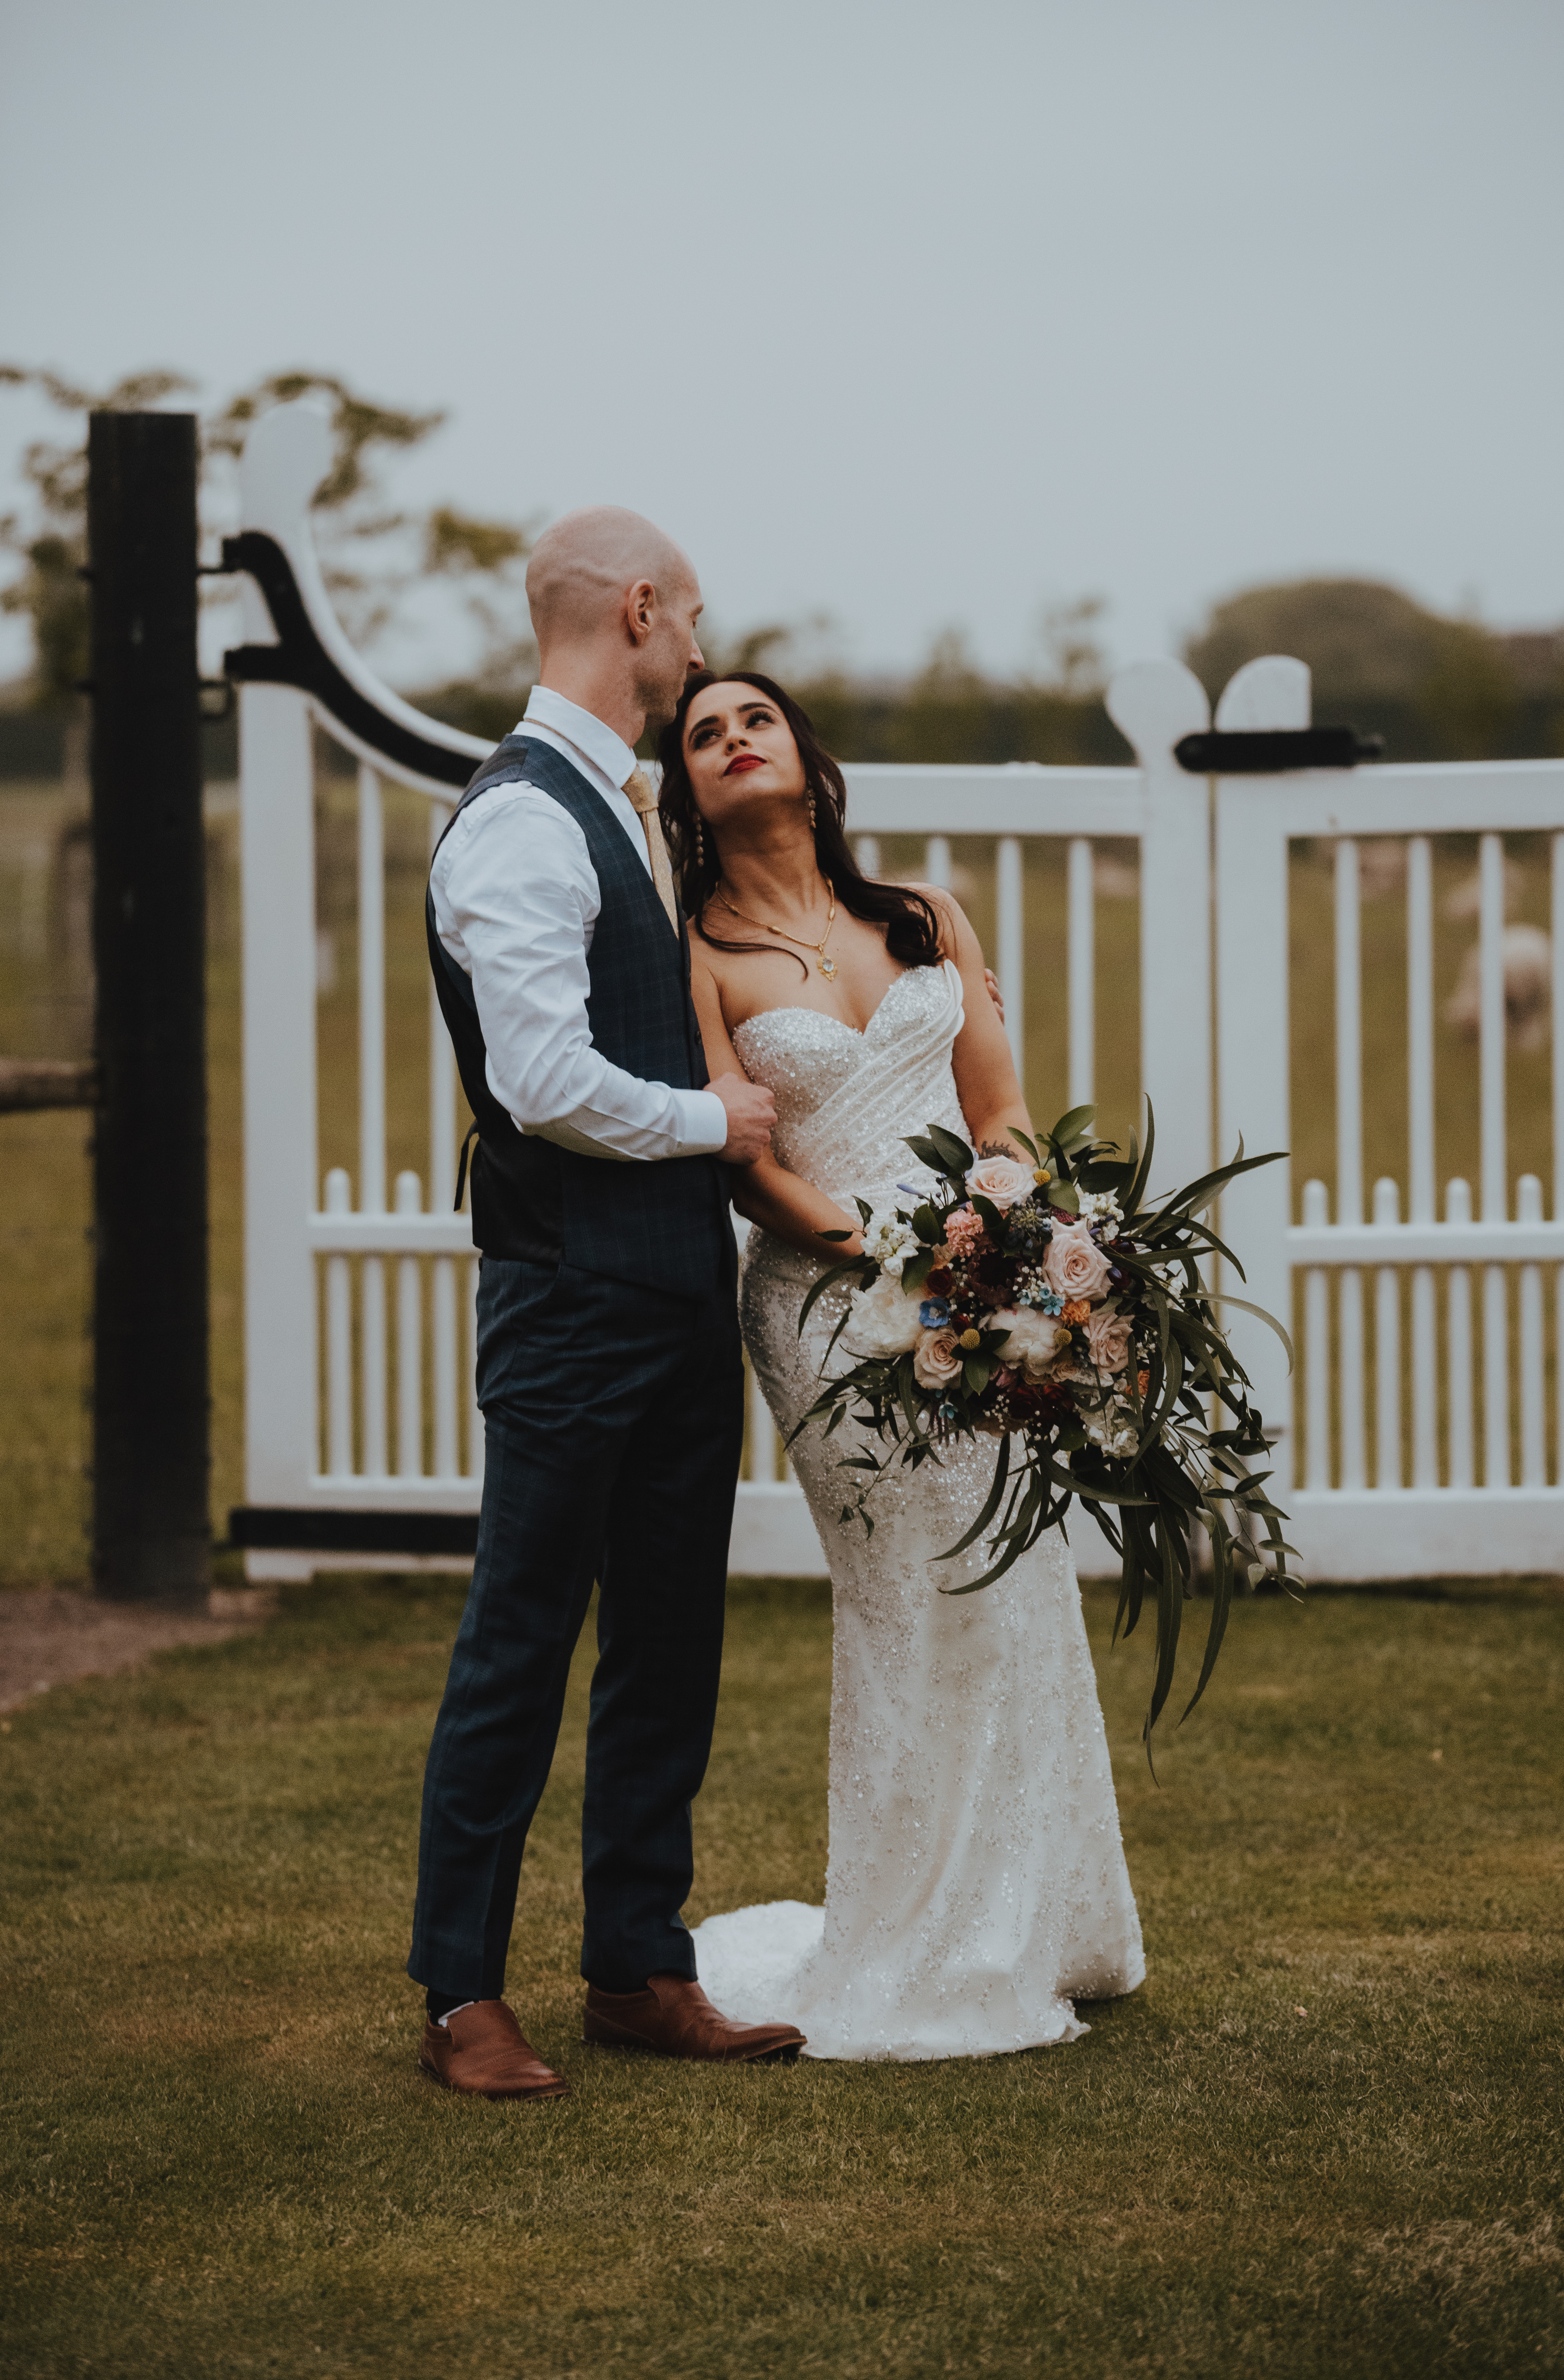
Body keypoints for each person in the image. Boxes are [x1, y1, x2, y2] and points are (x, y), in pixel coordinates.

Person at [659, 668, 1145, 2061]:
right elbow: (744, 1158)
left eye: (755, 719)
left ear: (806, 761)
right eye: (704, 734)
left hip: (979, 1287)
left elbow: (1001, 1112)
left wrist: (990, 1225)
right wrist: (884, 1249)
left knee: (1014, 1577)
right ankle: (915, 1938)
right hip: (827, 1312)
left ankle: (1043, 1924)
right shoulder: (699, 951)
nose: (734, 739)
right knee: (911, 1598)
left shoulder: (921, 917)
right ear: (692, 792)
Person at [408, 512, 805, 2101]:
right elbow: (542, 1079)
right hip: (567, 1297)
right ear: (637, 611)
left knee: (669, 1640)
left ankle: (640, 1965)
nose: (702, 652)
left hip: (672, 1299)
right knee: (522, 1638)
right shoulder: (519, 821)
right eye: (691, 623)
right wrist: (722, 1125)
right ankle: (460, 1994)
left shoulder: (629, 810)